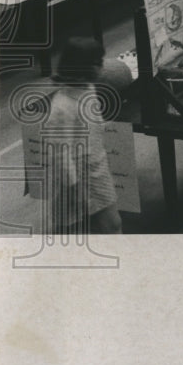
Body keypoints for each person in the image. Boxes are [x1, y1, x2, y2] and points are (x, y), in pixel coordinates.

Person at [37, 37, 123, 234]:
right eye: (97, 63)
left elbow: (94, 122)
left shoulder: (88, 88)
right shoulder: (62, 106)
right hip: (77, 176)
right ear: (82, 67)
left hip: (96, 166)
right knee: (94, 226)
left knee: (108, 225)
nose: (102, 67)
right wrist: (75, 188)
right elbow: (59, 153)